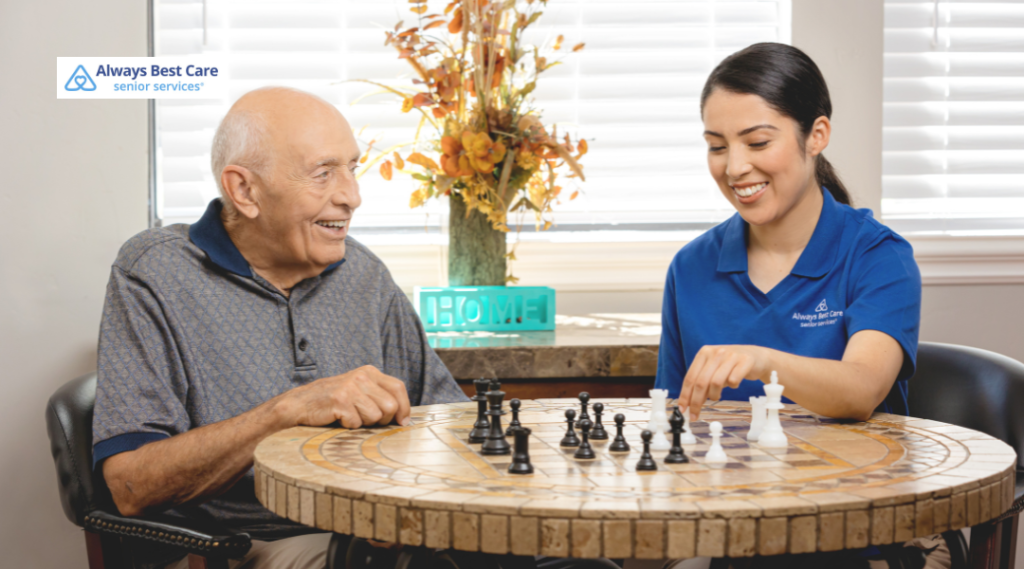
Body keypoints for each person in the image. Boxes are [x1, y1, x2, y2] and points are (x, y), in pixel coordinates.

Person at [94, 87, 618, 569]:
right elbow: (130, 484)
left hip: (395, 528)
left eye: (352, 169)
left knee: (579, 561)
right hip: (265, 540)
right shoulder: (154, 273)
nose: (352, 196)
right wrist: (288, 410)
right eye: (324, 173)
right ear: (245, 190)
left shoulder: (364, 273)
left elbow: (448, 421)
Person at [647, 43, 957, 569]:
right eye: (716, 146)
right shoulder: (690, 268)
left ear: (817, 135)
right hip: (731, 533)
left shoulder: (879, 257)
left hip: (866, 531)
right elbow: (678, 421)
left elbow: (861, 390)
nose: (735, 167)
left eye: (758, 141)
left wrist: (759, 359)